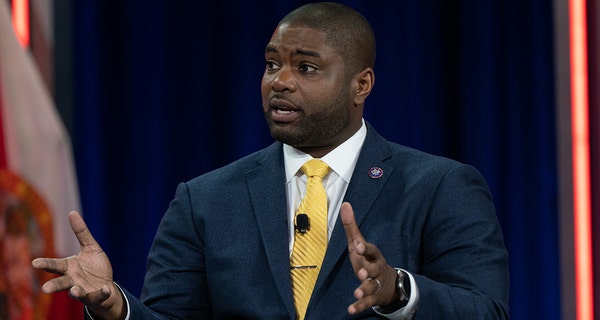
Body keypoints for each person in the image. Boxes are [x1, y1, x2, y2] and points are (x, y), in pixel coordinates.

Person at [32, 2, 509, 319]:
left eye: (305, 67)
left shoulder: (440, 186)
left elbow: (486, 310)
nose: (279, 81)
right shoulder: (205, 200)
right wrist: (116, 306)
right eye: (270, 64)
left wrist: (400, 292)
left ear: (361, 85)